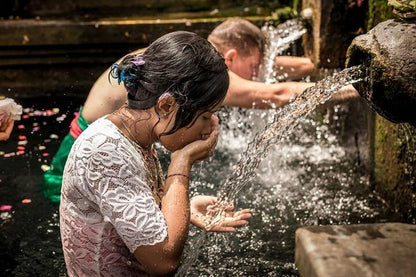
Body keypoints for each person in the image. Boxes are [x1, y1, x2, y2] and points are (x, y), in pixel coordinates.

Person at [60, 31, 252, 276]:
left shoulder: (134, 136)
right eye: (205, 117)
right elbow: (163, 261)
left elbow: (127, 211)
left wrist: (186, 209)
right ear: (166, 105)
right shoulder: (104, 150)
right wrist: (181, 164)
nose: (208, 130)